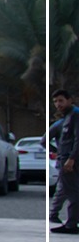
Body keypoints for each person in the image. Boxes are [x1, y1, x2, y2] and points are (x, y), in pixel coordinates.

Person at [49, 90, 77, 233]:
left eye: (61, 100)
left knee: (72, 192)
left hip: (70, 160)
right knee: (70, 191)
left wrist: (71, 159)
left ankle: (71, 225)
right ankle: (72, 223)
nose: (58, 104)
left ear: (69, 100)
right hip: (65, 158)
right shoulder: (67, 117)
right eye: (55, 101)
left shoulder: (75, 115)